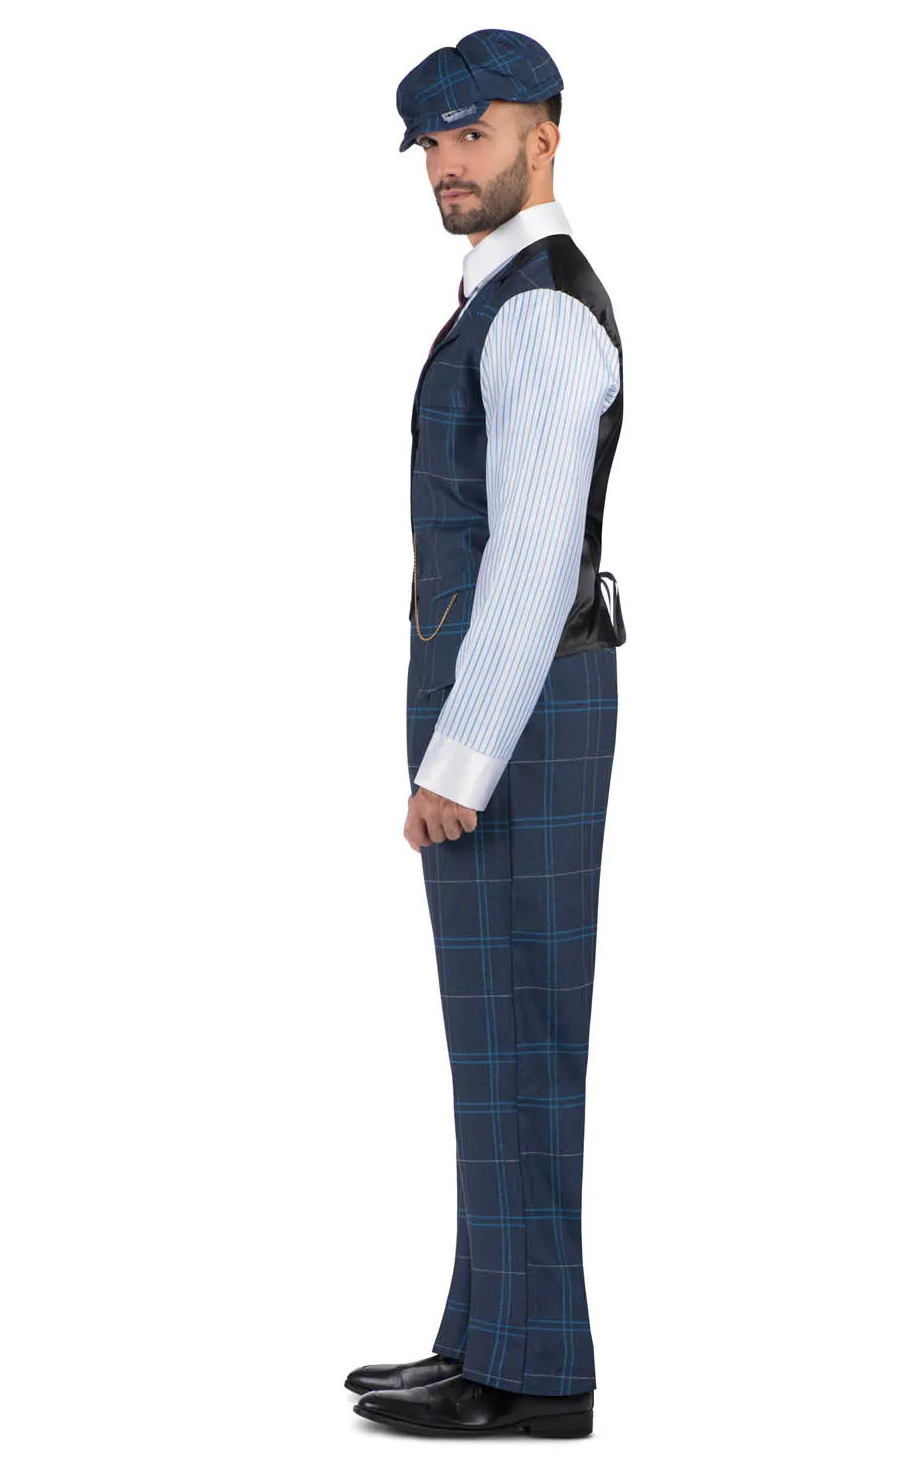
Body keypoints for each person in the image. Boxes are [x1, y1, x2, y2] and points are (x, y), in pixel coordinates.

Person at [346, 28, 627, 1439]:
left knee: (520, 1032)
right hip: (505, 703)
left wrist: (458, 763)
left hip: (516, 713)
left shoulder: (543, 313)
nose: (450, 165)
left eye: (477, 134)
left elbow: (531, 559)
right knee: (496, 1033)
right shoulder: (496, 297)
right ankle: (487, 1331)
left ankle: (536, 1375)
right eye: (435, 144)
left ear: (545, 137)